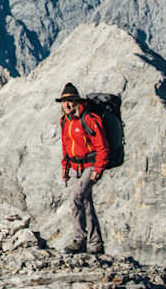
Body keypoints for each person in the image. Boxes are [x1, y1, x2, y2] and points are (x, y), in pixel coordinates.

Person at [57, 82, 108, 254]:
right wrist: (65, 170)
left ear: (78, 101)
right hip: (78, 167)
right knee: (86, 203)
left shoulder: (89, 119)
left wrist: (98, 169)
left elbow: (102, 146)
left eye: (71, 101)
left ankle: (79, 240)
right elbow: (66, 147)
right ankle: (95, 244)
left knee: (75, 198)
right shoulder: (65, 121)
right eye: (65, 102)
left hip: (91, 166)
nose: (68, 105)